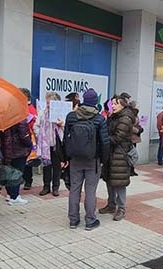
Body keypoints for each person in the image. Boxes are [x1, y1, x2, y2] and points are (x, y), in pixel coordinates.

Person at [65, 89, 110, 230]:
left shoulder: (71, 117)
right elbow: (105, 142)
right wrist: (103, 160)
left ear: (83, 100)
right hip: (93, 160)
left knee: (74, 189)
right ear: (95, 102)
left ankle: (73, 220)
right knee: (90, 191)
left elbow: (66, 139)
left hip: (75, 159)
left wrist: (66, 157)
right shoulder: (99, 119)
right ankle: (90, 221)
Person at [99, 95, 135, 221]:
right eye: (112, 104)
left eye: (115, 103)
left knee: (119, 182)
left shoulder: (125, 118)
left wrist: (102, 139)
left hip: (120, 154)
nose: (113, 106)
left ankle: (121, 208)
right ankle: (111, 205)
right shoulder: (113, 116)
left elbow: (118, 137)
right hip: (111, 153)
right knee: (109, 179)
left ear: (122, 105)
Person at [35, 92, 65, 197]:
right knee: (46, 166)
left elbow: (67, 128)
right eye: (47, 102)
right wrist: (40, 135)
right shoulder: (42, 112)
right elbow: (36, 125)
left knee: (57, 167)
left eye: (49, 102)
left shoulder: (61, 113)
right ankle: (46, 186)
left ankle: (55, 187)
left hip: (57, 144)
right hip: (45, 145)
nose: (47, 105)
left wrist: (62, 125)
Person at [2, 118, 33, 206]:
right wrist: (30, 144)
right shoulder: (19, 117)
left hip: (7, 149)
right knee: (17, 173)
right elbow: (24, 135)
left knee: (9, 173)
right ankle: (14, 197)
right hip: (19, 150)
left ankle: (10, 194)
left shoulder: (4, 118)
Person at [21, 88, 38, 191]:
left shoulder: (31, 109)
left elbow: (33, 123)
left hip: (28, 136)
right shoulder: (20, 107)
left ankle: (28, 180)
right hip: (19, 138)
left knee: (28, 160)